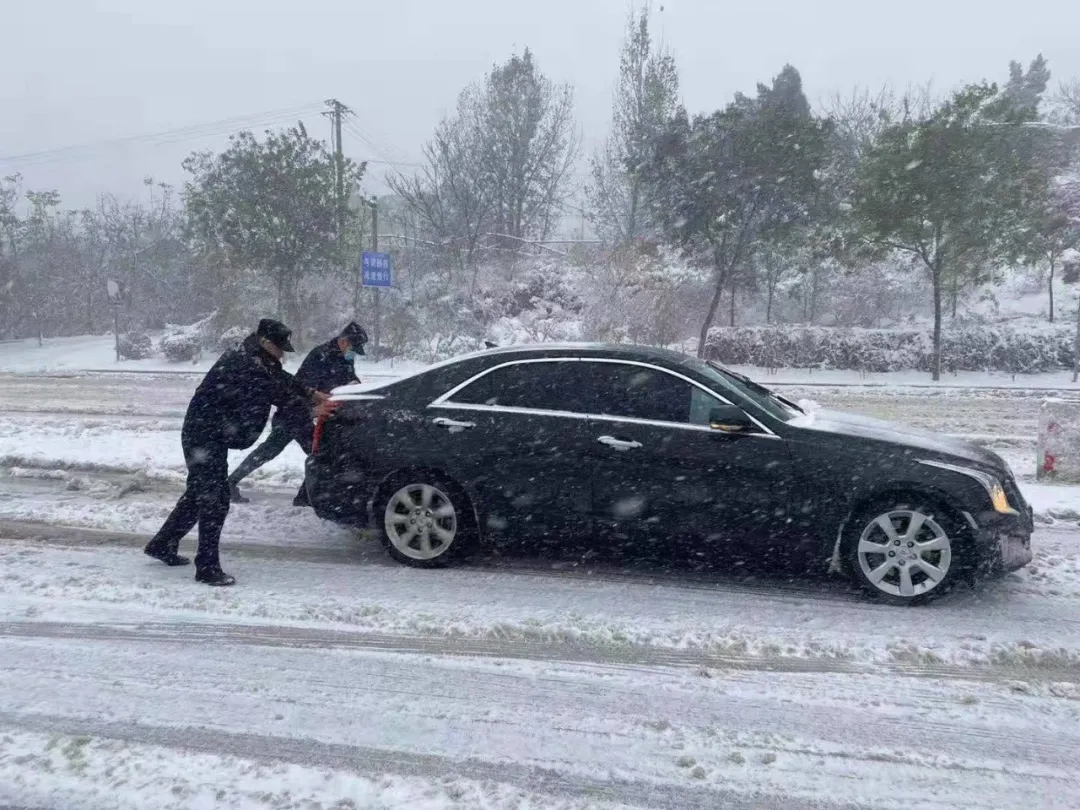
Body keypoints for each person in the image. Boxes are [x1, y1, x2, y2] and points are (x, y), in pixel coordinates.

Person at [143, 319, 330, 586]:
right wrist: (312, 409)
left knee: (199, 493)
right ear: (266, 343)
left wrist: (313, 394)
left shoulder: (257, 358)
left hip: (211, 433)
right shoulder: (246, 363)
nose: (283, 353)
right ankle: (207, 567)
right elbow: (277, 393)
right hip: (204, 435)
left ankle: (162, 544)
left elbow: (281, 380)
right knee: (215, 499)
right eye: (280, 348)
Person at [228, 321, 368, 507]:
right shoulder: (320, 356)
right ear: (344, 342)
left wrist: (356, 386)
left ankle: (232, 483)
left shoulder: (344, 358)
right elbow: (300, 388)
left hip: (300, 415)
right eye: (353, 349)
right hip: (294, 413)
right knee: (318, 454)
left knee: (276, 451)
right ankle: (304, 498)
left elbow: (349, 377)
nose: (353, 355)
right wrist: (313, 409)